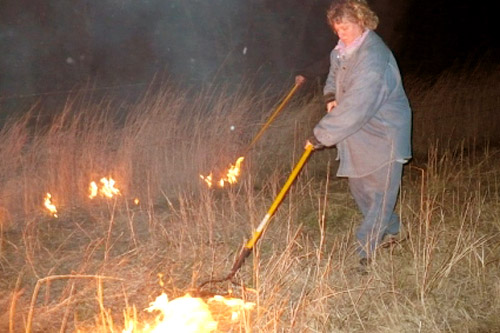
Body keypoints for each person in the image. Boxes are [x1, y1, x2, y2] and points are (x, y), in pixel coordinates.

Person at [306, 0, 412, 271]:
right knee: (361, 190)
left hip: (384, 134)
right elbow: (333, 77)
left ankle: (365, 254)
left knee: (379, 195)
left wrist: (322, 135)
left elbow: (357, 105)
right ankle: (394, 230)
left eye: (347, 27)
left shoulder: (373, 58)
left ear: (362, 22)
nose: (342, 34)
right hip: (358, 134)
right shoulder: (342, 51)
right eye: (337, 29)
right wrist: (330, 97)